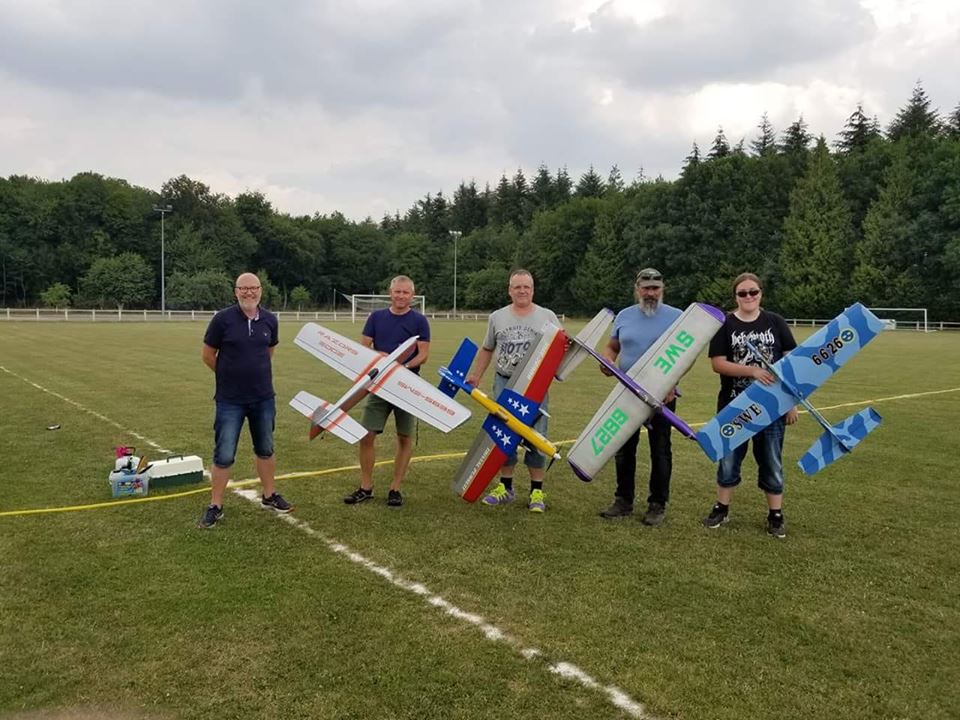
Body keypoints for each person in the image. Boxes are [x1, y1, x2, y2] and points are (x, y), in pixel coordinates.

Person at [703, 272, 798, 538]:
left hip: (773, 407)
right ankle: (722, 507)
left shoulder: (775, 322)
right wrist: (752, 371)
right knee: (729, 460)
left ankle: (775, 515)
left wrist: (791, 403)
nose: (748, 297)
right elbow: (717, 363)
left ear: (760, 294)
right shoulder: (726, 324)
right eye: (742, 293)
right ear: (736, 296)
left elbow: (792, 365)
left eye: (753, 292)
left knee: (771, 461)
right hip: (734, 406)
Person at [197, 272, 292, 528]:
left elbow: (268, 352)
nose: (249, 293)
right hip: (230, 400)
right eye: (243, 289)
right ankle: (215, 505)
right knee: (224, 453)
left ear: (260, 290)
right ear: (236, 291)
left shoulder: (270, 320)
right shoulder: (222, 320)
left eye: (253, 288)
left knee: (265, 449)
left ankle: (270, 495)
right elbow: (208, 354)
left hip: (263, 398)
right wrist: (228, 375)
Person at [465, 269, 561, 513]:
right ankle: (505, 488)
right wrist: (476, 375)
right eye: (517, 287)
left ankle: (536, 491)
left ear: (532, 289)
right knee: (502, 433)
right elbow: (487, 349)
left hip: (534, 388)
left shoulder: (547, 316)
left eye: (526, 287)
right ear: (510, 290)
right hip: (504, 383)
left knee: (536, 436)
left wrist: (555, 372)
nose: (522, 291)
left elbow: (561, 347)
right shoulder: (497, 317)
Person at [598, 268, 683, 526]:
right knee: (623, 449)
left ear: (662, 289)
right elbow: (613, 347)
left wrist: (671, 385)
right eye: (645, 288)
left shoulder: (678, 317)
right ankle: (623, 500)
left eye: (655, 288)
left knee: (660, 450)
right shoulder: (624, 316)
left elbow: (684, 356)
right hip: (627, 392)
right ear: (637, 289)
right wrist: (608, 361)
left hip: (662, 395)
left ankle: (657, 504)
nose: (650, 293)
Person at [343, 276, 429, 508]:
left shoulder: (420, 321)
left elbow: (423, 354)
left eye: (405, 293)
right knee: (367, 435)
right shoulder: (376, 317)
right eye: (397, 292)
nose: (401, 296)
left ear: (412, 296)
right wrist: (379, 362)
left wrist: (403, 367)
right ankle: (366, 487)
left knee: (404, 436)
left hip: (407, 386)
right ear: (390, 293)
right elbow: (364, 347)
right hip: (379, 385)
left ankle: (395, 488)